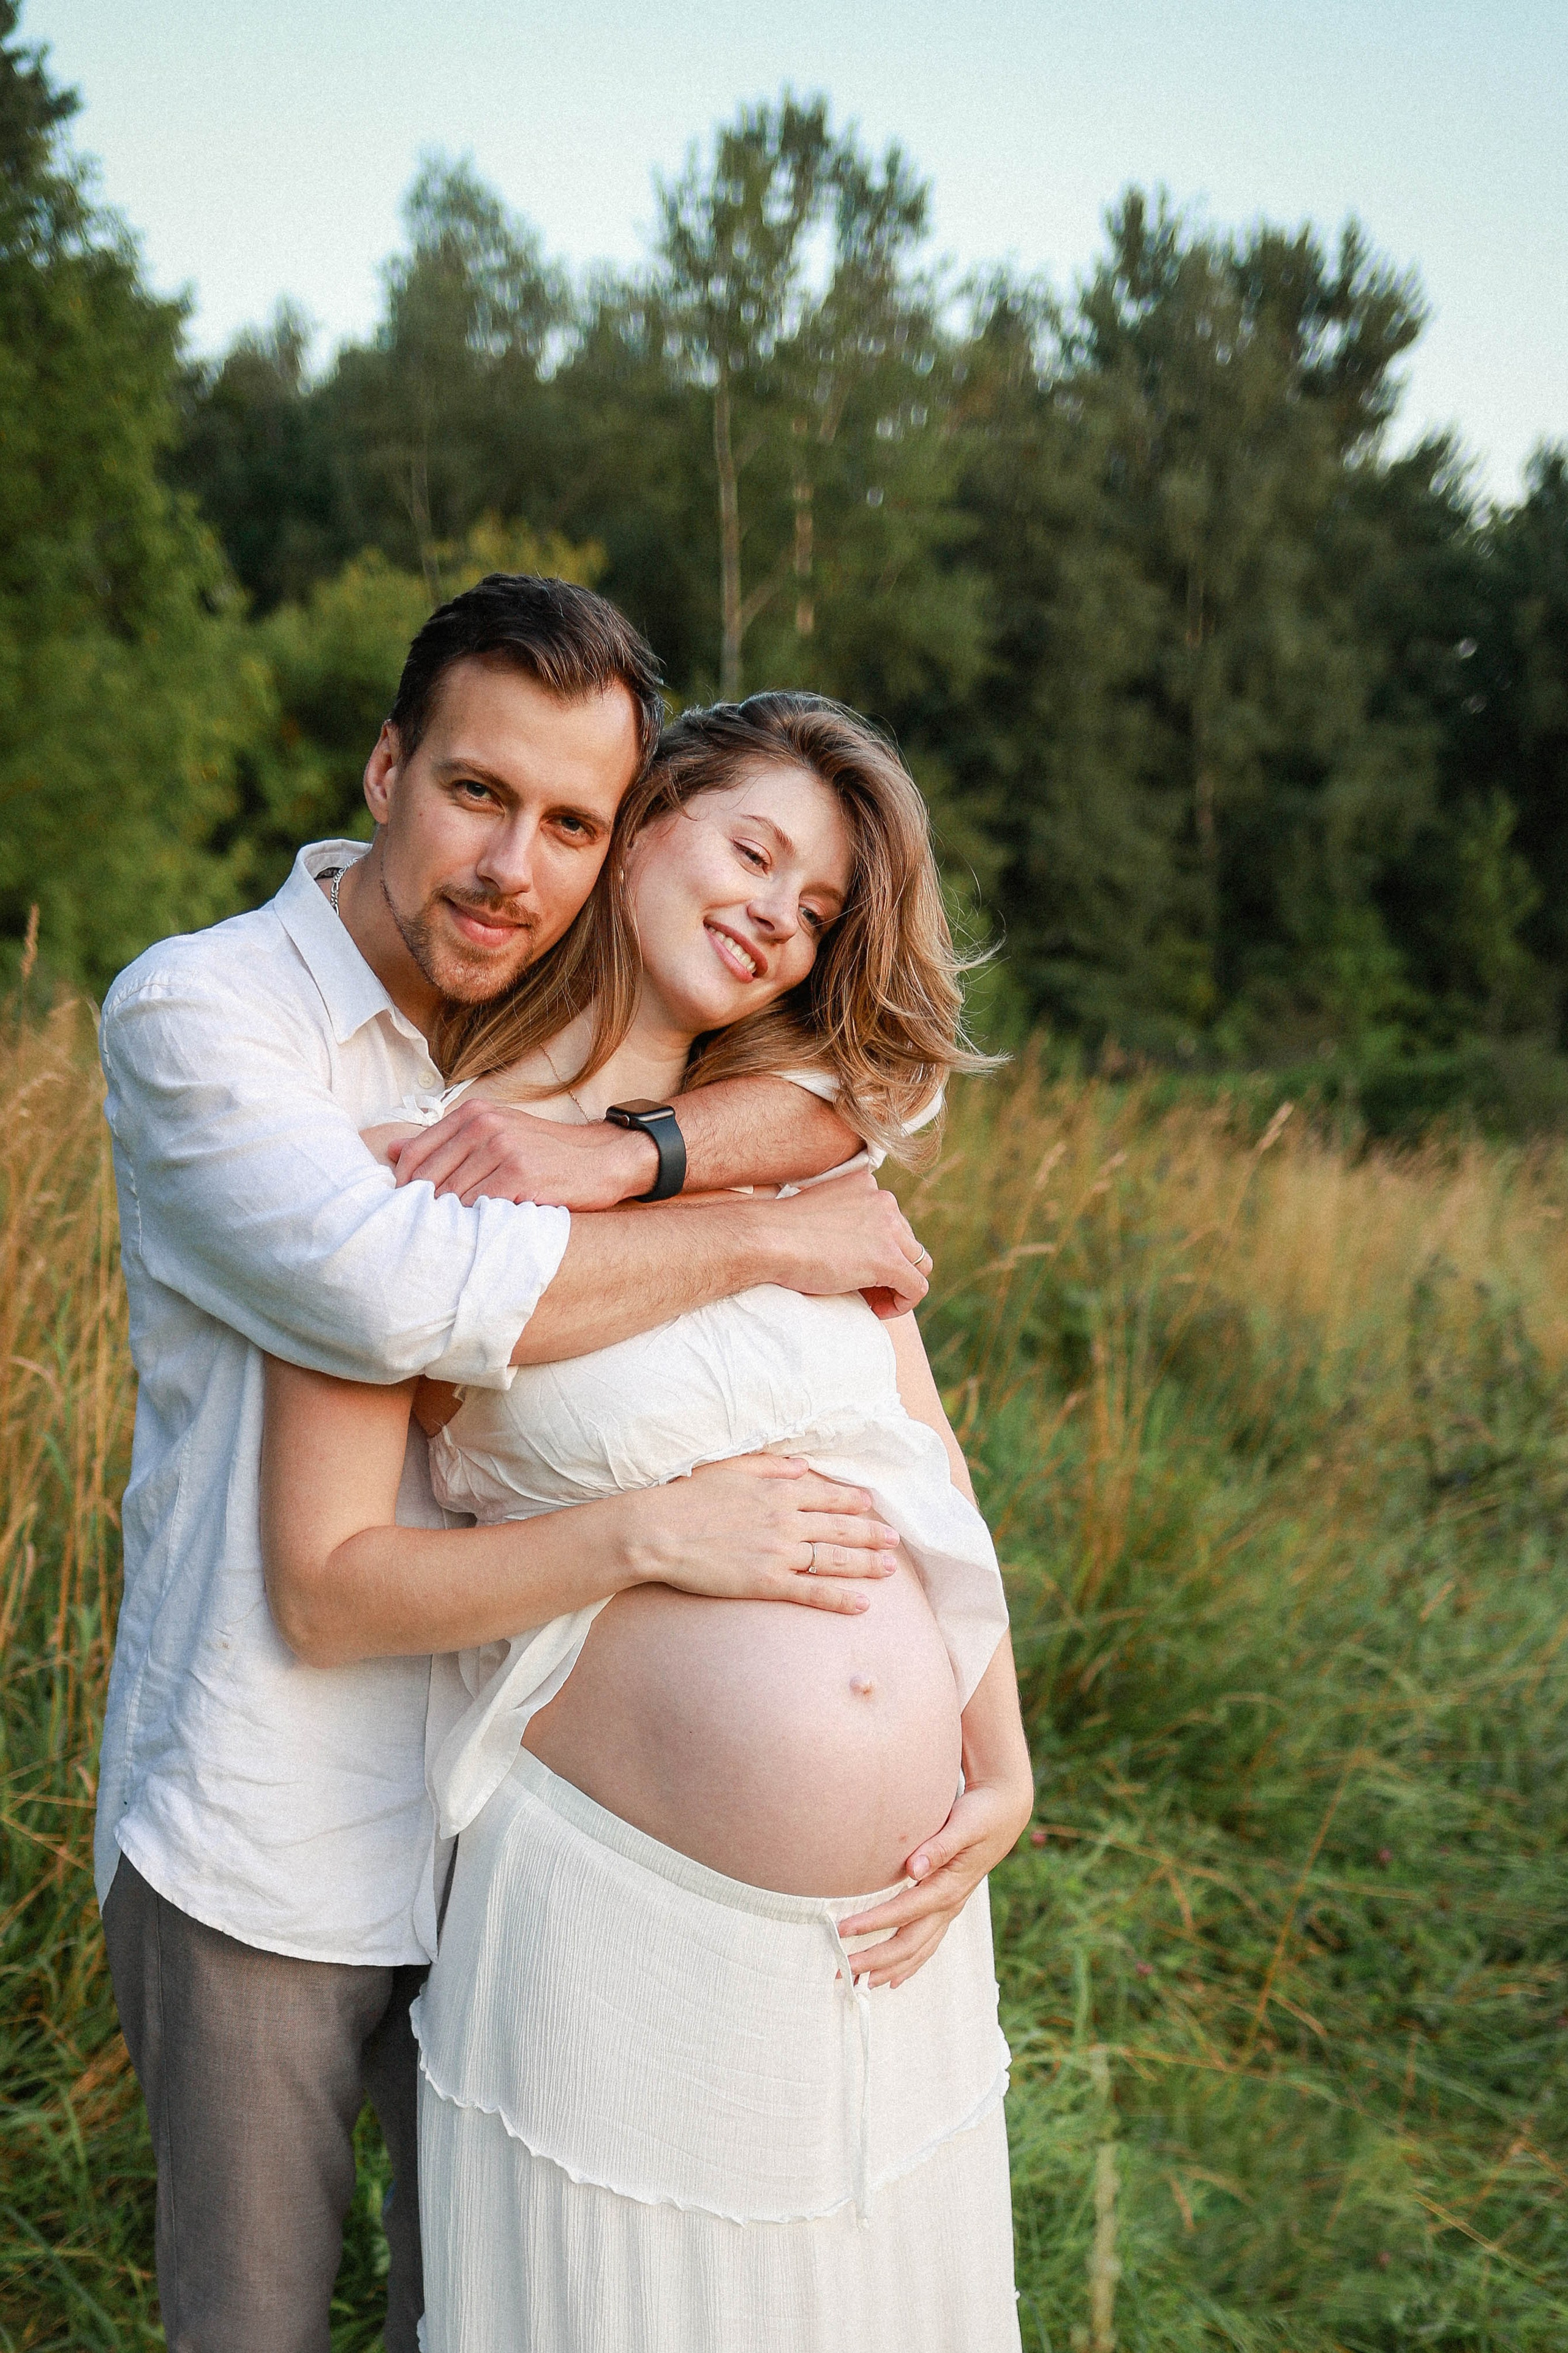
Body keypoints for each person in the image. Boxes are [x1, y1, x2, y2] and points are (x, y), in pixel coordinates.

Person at [96, 578, 935, 2353]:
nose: (513, 863)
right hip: (276, 1824)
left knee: (490, 2314)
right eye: (479, 794)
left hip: (523, 1840)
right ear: (388, 765)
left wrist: (641, 1154)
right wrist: (759, 1242)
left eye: (570, 821)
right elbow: (414, 1288)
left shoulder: (563, 1039)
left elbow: (859, 1084)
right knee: (253, 2324)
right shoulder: (217, 1021)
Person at [263, 693, 1035, 2352]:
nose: (777, 908)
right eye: (753, 846)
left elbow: (925, 1463)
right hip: (622, 1937)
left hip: (893, 1949)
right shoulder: (421, 1157)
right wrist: (654, 1531)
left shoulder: (803, 1160)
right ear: (644, 821)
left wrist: (1002, 1754)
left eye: (819, 905)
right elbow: (339, 1582)